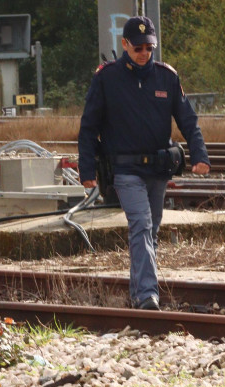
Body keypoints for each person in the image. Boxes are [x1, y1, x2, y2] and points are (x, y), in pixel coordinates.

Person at [77, 16, 211, 311]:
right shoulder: (106, 78)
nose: (144, 53)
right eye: (138, 47)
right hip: (124, 170)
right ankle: (148, 295)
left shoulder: (167, 77)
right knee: (140, 225)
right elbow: (89, 127)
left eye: (149, 47)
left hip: (158, 169)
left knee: (150, 230)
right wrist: (86, 169)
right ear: (124, 45)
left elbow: (188, 120)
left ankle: (137, 291)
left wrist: (200, 155)